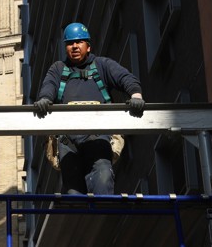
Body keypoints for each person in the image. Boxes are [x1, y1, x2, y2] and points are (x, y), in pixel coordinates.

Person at [33, 22, 145, 195]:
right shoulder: (58, 69)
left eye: (79, 42)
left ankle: (102, 216)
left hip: (98, 135)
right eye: (70, 43)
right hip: (67, 139)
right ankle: (79, 218)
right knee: (73, 191)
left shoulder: (102, 65)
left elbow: (126, 78)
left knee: (103, 176)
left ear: (88, 46)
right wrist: (44, 99)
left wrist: (135, 95)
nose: (75, 46)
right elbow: (49, 86)